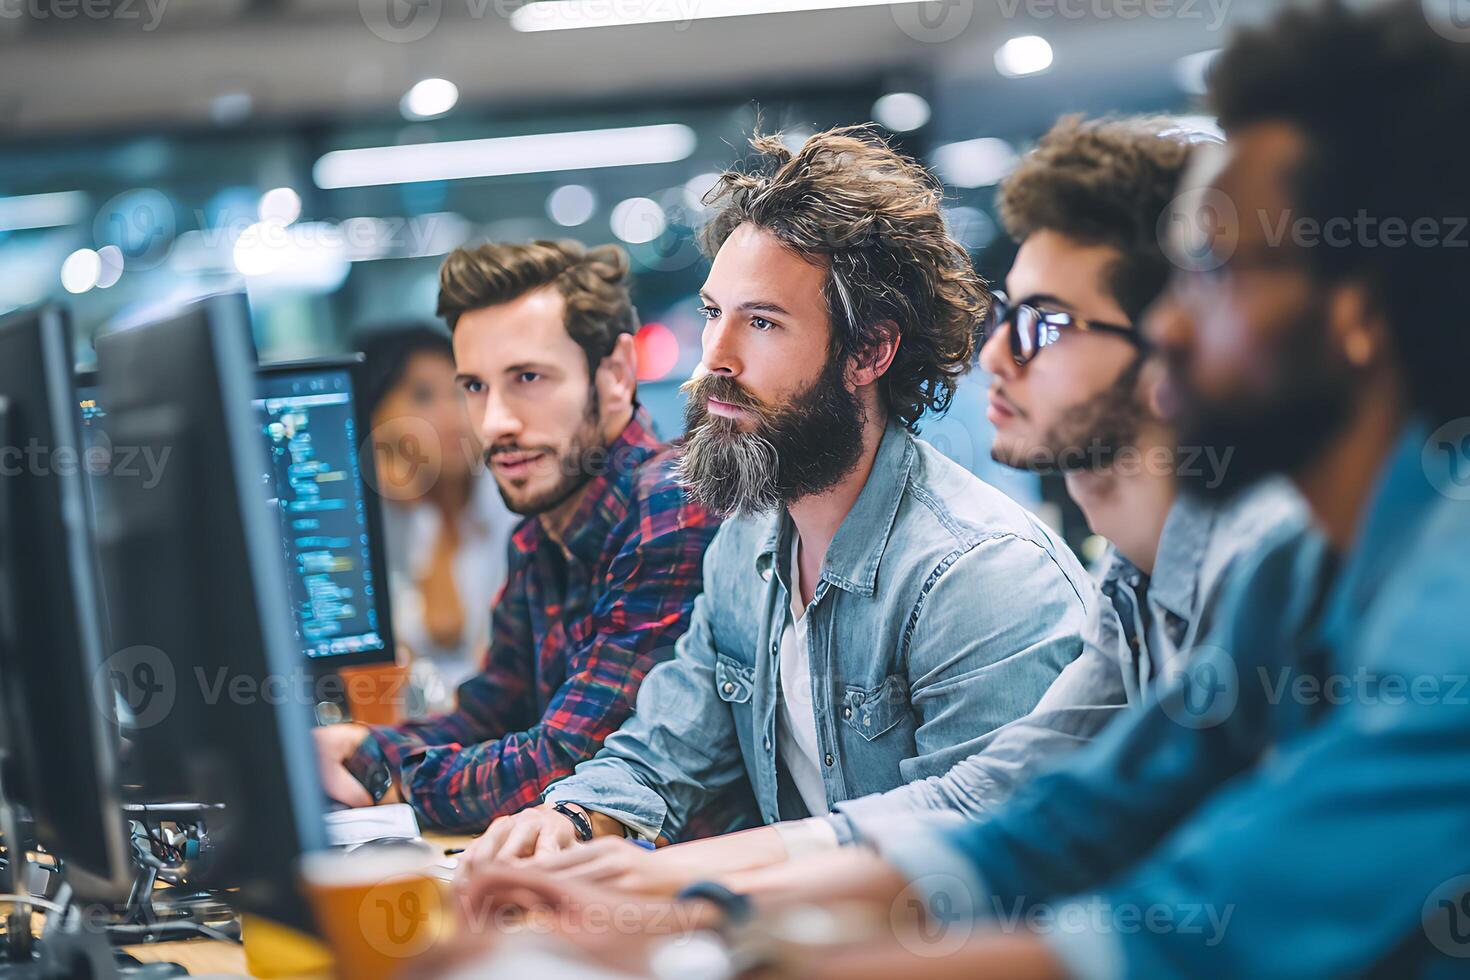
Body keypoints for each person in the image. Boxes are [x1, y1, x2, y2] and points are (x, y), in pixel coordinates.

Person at [461, 3, 1470, 976]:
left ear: (1358, 314)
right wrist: (682, 912)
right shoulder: (1278, 576)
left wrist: (695, 944)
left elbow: (1179, 933)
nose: (1175, 327)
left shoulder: (1445, 619)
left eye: (1221, 270)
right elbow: (1045, 822)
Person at [504, 115, 1304, 895]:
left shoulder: (1025, 576)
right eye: (714, 314)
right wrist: (607, 843)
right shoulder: (1136, 589)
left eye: (1045, 325)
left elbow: (1011, 873)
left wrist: (689, 899)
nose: (997, 355)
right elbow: (996, 806)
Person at [458, 125, 1095, 872]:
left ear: (869, 352)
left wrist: (675, 877)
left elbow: (971, 845)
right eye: (710, 313)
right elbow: (663, 748)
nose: (713, 360)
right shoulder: (747, 543)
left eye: (760, 322)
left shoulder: (983, 577)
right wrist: (571, 815)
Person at [312, 240, 723, 832]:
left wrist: (392, 773)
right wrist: (359, 748)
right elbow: (490, 713)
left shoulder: (670, 505)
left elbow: (566, 759)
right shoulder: (537, 536)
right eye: (474, 387)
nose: (495, 422)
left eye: (528, 377)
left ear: (614, 374)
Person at [355, 323, 518, 709]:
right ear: (373, 413)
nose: (452, 414)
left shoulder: (508, 499)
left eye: (462, 390)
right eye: (423, 396)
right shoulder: (359, 522)